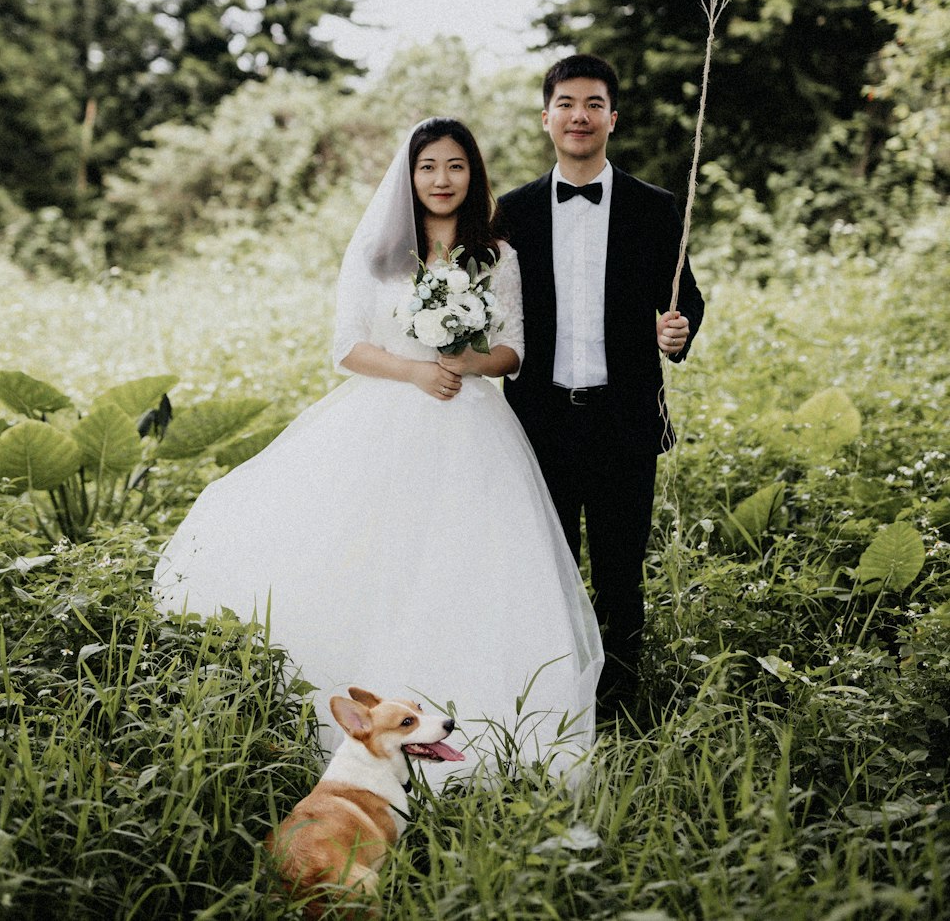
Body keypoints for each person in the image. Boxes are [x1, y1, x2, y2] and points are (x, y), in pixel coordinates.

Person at [154, 117, 602, 777]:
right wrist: (418, 369)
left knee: (472, 564)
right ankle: (372, 717)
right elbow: (347, 348)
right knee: (377, 558)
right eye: (428, 168)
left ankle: (485, 718)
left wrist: (466, 357)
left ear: (472, 174)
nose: (442, 180)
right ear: (410, 176)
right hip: (389, 418)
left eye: (455, 166)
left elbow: (515, 352)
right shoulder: (379, 254)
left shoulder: (496, 256)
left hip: (476, 428)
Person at [496, 54, 705, 720]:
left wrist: (677, 332)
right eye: (565, 103)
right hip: (540, 421)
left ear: (613, 117)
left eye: (592, 104)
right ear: (546, 118)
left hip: (623, 419)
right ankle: (551, 697)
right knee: (546, 572)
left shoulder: (656, 208)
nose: (579, 116)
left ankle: (617, 704)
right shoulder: (513, 213)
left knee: (619, 573)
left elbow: (687, 301)